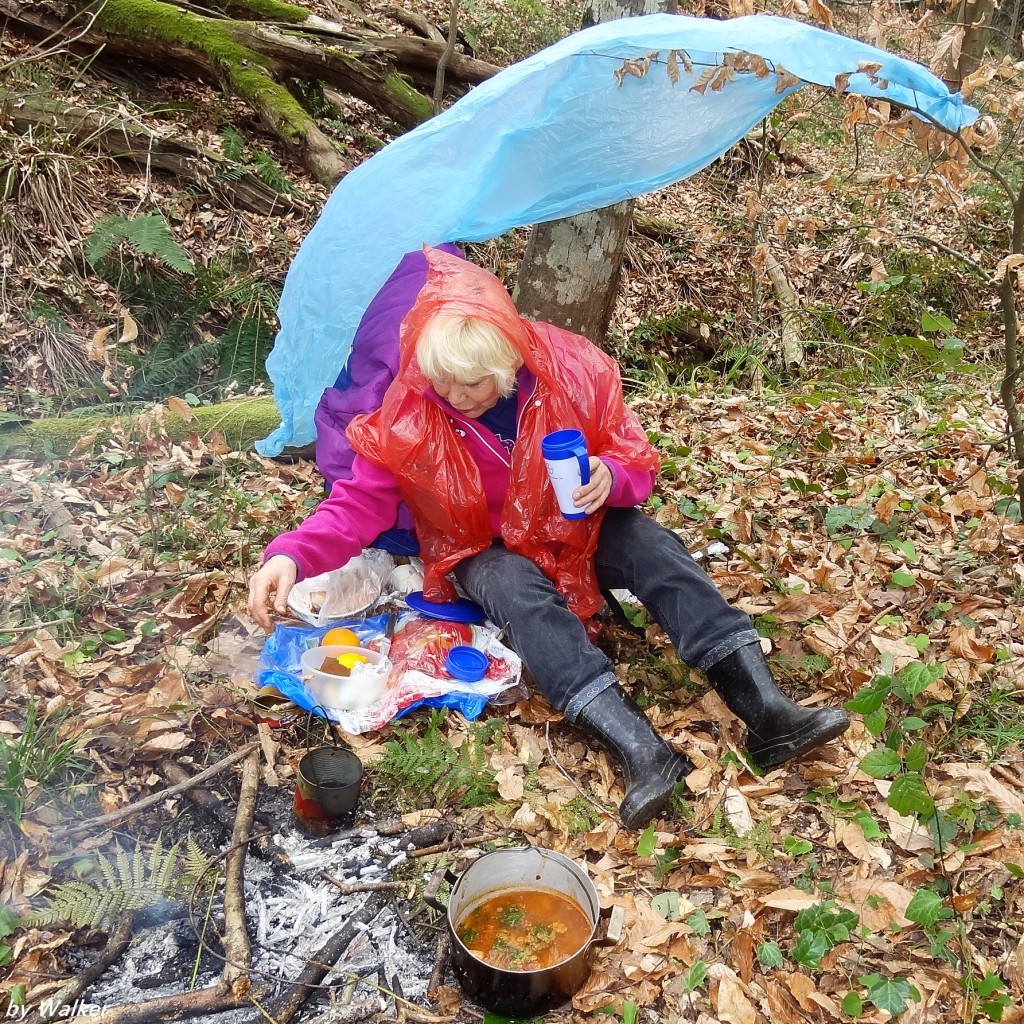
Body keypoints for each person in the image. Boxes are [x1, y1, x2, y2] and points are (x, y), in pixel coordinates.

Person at [249, 246, 850, 829]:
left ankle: (767, 712)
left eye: (472, 383)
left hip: (572, 526)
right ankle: (643, 751)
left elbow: (633, 457)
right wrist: (292, 555)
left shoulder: (571, 374)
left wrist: (611, 476)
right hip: (479, 543)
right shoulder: (412, 411)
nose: (455, 396)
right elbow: (356, 503)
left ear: (506, 364)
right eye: (442, 381)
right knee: (514, 589)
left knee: (654, 549)